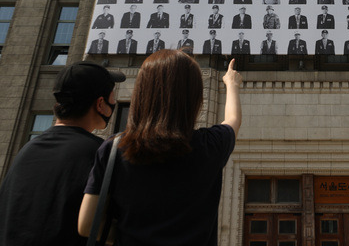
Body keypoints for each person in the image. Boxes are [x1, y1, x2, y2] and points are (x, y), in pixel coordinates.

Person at [79, 52, 241, 246]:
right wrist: (232, 84)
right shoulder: (210, 145)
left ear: (142, 93)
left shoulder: (114, 148)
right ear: (195, 97)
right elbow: (233, 119)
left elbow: (87, 224)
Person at [0, 61, 124, 246]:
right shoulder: (102, 154)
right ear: (100, 104)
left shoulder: (26, 151)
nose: (113, 103)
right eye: (113, 96)